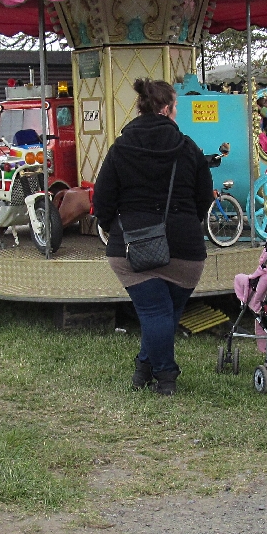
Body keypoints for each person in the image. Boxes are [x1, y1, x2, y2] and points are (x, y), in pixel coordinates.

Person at [93, 79, 214, 396]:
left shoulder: (120, 149)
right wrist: (188, 224)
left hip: (132, 246)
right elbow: (204, 198)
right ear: (166, 109)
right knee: (164, 314)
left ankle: (158, 374)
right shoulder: (189, 148)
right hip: (185, 249)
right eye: (176, 108)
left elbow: (103, 201)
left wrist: (114, 227)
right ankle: (156, 372)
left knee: (155, 314)